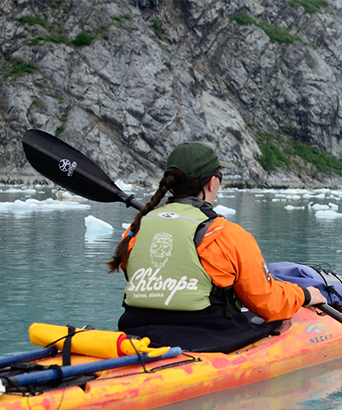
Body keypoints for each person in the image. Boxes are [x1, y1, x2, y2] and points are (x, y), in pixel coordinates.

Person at [107, 141, 326, 352]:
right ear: (212, 182)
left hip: (136, 331)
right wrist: (305, 295)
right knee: (273, 319)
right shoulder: (225, 234)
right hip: (206, 336)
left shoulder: (136, 229)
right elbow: (267, 302)